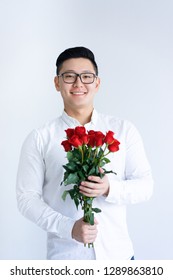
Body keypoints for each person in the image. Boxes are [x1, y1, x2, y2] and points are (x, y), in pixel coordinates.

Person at [16, 46, 153, 260]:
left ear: (97, 83)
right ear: (57, 83)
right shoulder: (40, 138)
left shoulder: (124, 130)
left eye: (86, 76)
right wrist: (68, 228)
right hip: (66, 259)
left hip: (119, 258)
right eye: (69, 76)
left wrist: (110, 188)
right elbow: (27, 199)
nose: (79, 83)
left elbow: (146, 186)